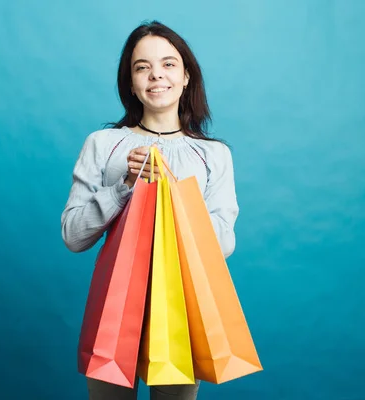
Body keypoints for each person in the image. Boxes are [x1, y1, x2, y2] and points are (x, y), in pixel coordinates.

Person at [60, 20, 239, 400]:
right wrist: (124, 185)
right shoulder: (103, 144)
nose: (156, 74)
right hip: (115, 305)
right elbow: (74, 236)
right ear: (130, 82)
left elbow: (222, 244)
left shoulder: (213, 154)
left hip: (182, 309)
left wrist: (175, 189)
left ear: (187, 76)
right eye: (142, 67)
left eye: (169, 64)